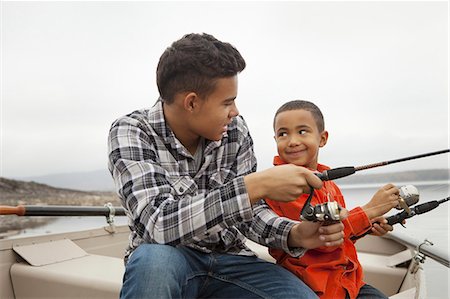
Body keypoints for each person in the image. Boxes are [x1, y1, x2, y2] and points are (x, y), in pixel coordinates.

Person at [107, 33, 347, 299]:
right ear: (192, 102)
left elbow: (250, 214)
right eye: (227, 102)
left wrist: (295, 233)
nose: (235, 111)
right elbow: (158, 223)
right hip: (166, 259)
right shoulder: (131, 131)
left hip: (233, 260)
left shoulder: (235, 130)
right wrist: (257, 185)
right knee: (153, 264)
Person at [265, 100, 402, 299]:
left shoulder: (330, 183)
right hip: (312, 285)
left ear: (322, 138)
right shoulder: (283, 185)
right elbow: (320, 237)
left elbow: (340, 234)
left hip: (347, 280)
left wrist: (367, 226)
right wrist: (371, 209)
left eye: (302, 131)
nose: (292, 140)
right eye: (283, 134)